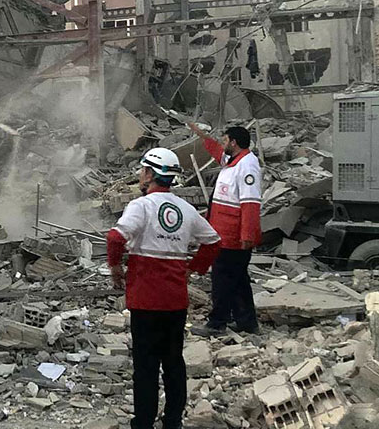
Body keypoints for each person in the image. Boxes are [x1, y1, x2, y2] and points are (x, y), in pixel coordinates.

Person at [106, 147, 221, 429]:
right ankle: (173, 422)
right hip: (175, 300)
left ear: (149, 173)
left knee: (145, 366)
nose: (140, 175)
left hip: (145, 299)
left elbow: (115, 238)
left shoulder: (141, 206)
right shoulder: (186, 209)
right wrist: (193, 268)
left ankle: (144, 422)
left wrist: (116, 269)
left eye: (142, 170)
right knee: (173, 363)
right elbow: (213, 241)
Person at [188, 123, 262, 334]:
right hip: (224, 232)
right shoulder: (233, 161)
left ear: (234, 143)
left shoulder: (247, 166)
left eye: (225, 140)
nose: (222, 143)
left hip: (233, 236)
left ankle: (217, 323)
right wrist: (203, 136)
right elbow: (218, 153)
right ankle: (247, 322)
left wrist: (247, 235)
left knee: (222, 279)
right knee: (238, 280)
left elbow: (250, 203)